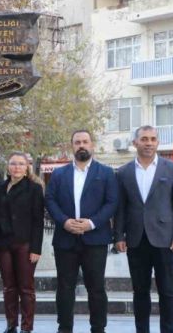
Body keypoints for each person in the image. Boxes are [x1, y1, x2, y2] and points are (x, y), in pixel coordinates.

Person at [45, 130, 118, 333]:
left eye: (85, 141)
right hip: (65, 239)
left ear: (92, 144)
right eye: (77, 142)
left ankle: (98, 328)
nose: (81, 145)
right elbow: (50, 200)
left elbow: (112, 202)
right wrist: (64, 221)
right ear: (72, 146)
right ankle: (65, 328)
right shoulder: (59, 174)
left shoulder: (105, 173)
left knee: (96, 288)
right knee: (64, 288)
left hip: (95, 239)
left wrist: (92, 223)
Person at [114, 125, 173, 333]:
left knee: (168, 292)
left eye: (153, 139)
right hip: (136, 239)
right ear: (135, 143)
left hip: (164, 239)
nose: (149, 143)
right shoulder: (123, 172)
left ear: (158, 142)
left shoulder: (172, 169)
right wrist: (119, 235)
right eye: (144, 139)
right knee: (140, 292)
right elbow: (120, 207)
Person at [0, 152, 44, 333]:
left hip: (25, 244)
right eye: (13, 163)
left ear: (26, 168)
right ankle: (11, 324)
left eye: (21, 164)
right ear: (8, 166)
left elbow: (39, 221)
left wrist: (36, 248)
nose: (16, 167)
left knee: (26, 287)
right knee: (9, 287)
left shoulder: (34, 188)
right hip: (3, 244)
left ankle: (27, 327)